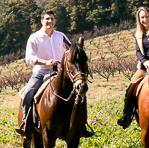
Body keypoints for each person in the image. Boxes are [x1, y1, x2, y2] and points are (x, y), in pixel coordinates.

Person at [16, 9, 94, 137]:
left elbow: (71, 49)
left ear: (54, 21)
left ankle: (82, 124)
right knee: (29, 92)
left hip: (59, 72)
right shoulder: (34, 37)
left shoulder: (60, 35)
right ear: (42, 21)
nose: (49, 21)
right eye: (47, 19)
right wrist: (46, 62)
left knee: (81, 93)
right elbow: (29, 58)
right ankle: (26, 123)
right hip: (40, 73)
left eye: (52, 19)